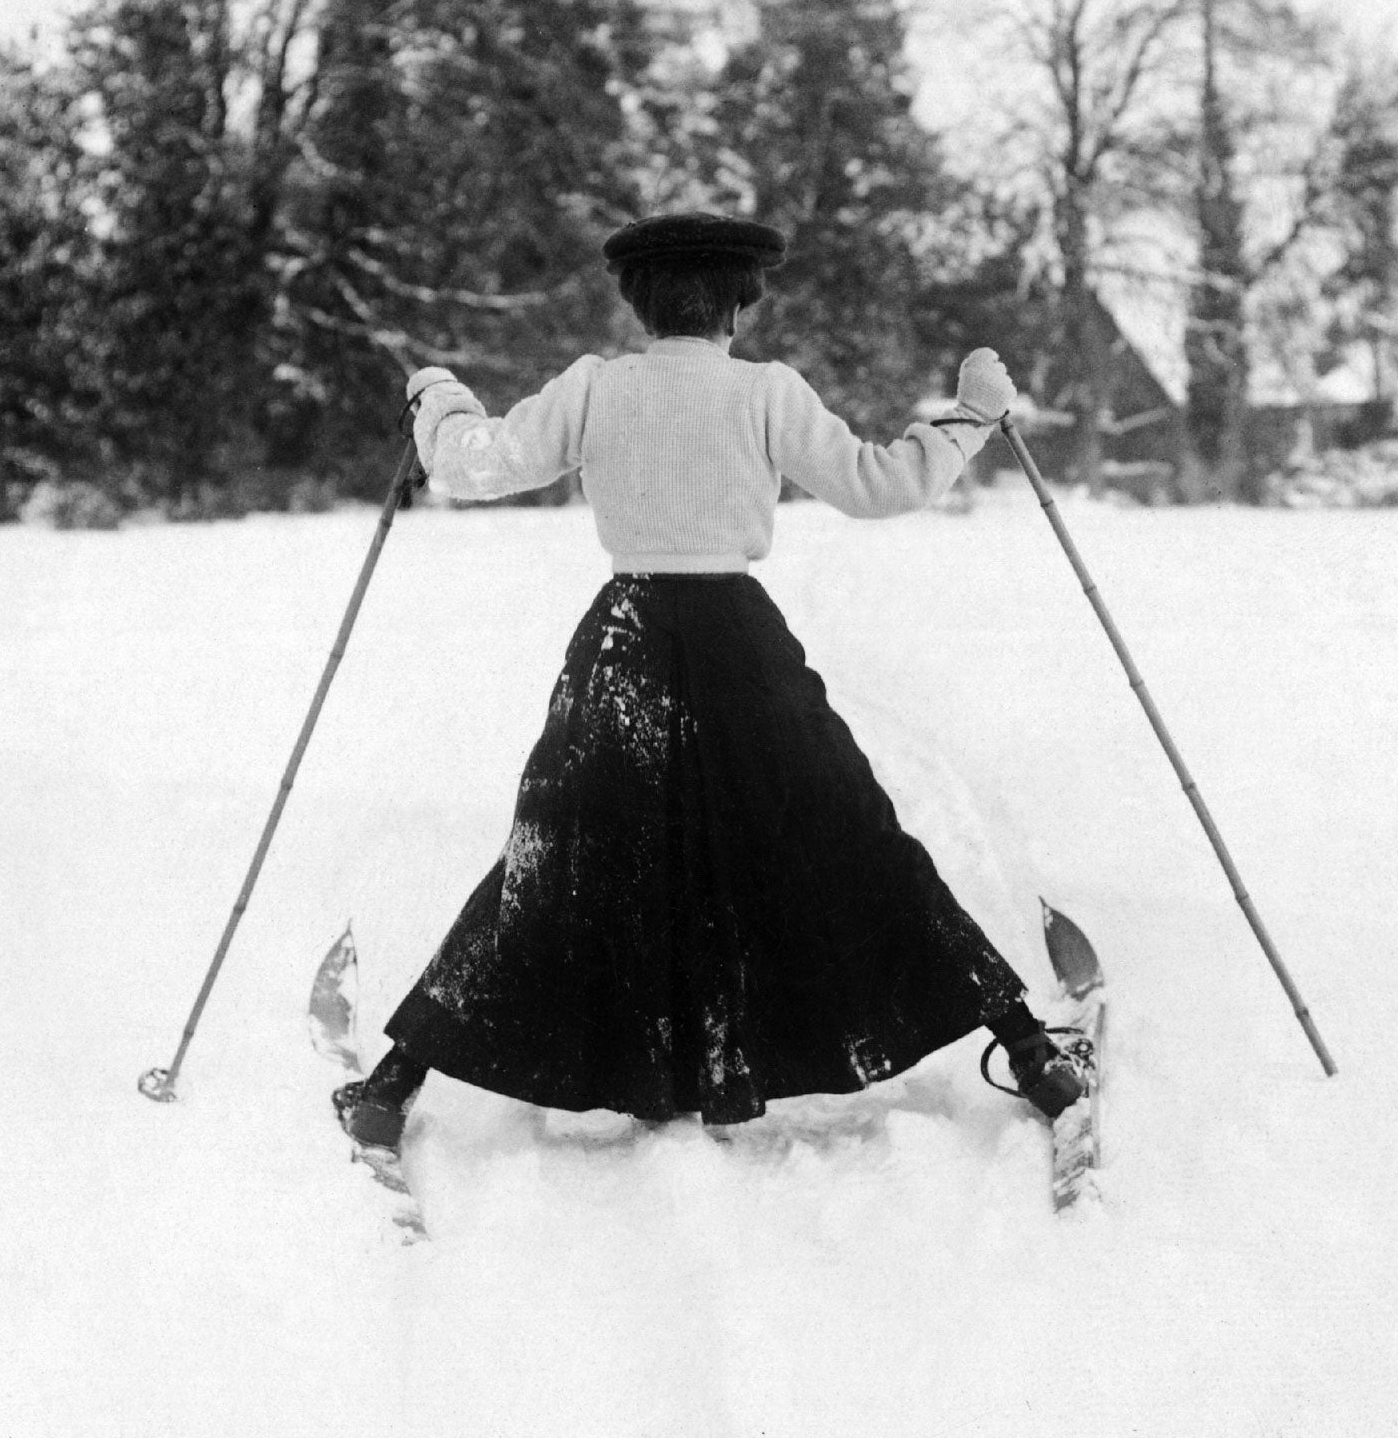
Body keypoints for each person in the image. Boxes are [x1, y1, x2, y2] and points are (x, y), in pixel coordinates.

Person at [332, 212, 1086, 1155]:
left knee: (559, 854)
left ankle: (395, 1080)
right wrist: (970, 419)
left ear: (639, 304)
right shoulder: (767, 392)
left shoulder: (597, 388)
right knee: (846, 831)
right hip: (741, 647)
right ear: (739, 303)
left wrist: (436, 398)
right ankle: (1027, 1051)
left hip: (626, 642)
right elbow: (879, 486)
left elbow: (472, 466)